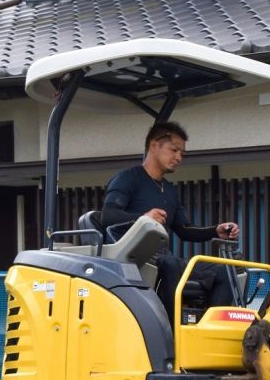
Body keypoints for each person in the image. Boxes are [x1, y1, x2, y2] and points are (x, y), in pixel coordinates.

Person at [100, 121, 240, 319]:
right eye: (174, 150)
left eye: (182, 153)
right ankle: (171, 333)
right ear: (154, 145)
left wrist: (215, 230)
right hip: (133, 259)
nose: (178, 157)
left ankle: (204, 330)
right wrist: (144, 218)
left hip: (164, 259)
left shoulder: (170, 191)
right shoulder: (128, 178)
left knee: (225, 272)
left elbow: (184, 229)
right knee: (171, 264)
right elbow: (108, 216)